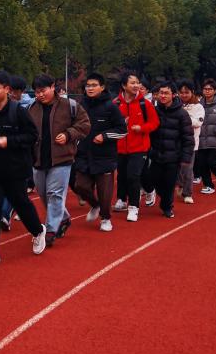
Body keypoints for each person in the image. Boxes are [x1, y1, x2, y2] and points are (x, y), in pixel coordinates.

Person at [0, 71, 46, 264]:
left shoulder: (18, 111)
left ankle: (38, 230)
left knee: (21, 203)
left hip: (15, 169)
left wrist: (9, 141)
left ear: (7, 89)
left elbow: (32, 136)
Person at [28, 73, 91, 243]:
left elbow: (85, 125)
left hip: (62, 158)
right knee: (43, 194)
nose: (40, 95)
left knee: (55, 194)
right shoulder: (31, 109)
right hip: (38, 159)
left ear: (52, 87)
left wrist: (68, 134)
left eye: (43, 90)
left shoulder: (69, 105)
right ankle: (63, 217)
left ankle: (50, 230)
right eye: (37, 92)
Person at [71, 72, 126, 232]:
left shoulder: (111, 107)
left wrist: (105, 136)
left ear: (102, 87)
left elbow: (122, 130)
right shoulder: (80, 105)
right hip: (83, 154)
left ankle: (105, 218)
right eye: (88, 85)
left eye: (94, 85)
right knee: (80, 186)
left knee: (105, 192)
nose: (90, 88)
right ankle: (95, 205)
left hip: (104, 156)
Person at [143, 81, 194, 218]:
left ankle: (167, 207)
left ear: (174, 95)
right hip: (156, 154)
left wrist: (186, 158)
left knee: (169, 184)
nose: (163, 96)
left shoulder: (182, 114)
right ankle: (163, 198)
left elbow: (188, 138)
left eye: (166, 93)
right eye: (161, 93)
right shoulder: (154, 110)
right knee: (153, 180)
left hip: (173, 156)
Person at [113, 72, 158, 222]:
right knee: (123, 175)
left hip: (140, 147)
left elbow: (155, 123)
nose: (136, 85)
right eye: (132, 83)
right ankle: (122, 199)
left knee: (133, 176)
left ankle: (133, 207)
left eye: (137, 82)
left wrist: (142, 128)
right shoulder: (116, 104)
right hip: (120, 147)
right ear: (124, 85)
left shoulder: (145, 104)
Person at [177, 81, 204, 203]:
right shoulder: (176, 105)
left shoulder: (198, 107)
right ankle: (180, 184)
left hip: (190, 143)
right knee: (176, 168)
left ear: (192, 92)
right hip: (176, 142)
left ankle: (187, 193)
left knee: (187, 168)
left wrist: (183, 117)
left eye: (186, 92)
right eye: (181, 92)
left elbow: (198, 122)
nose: (184, 95)